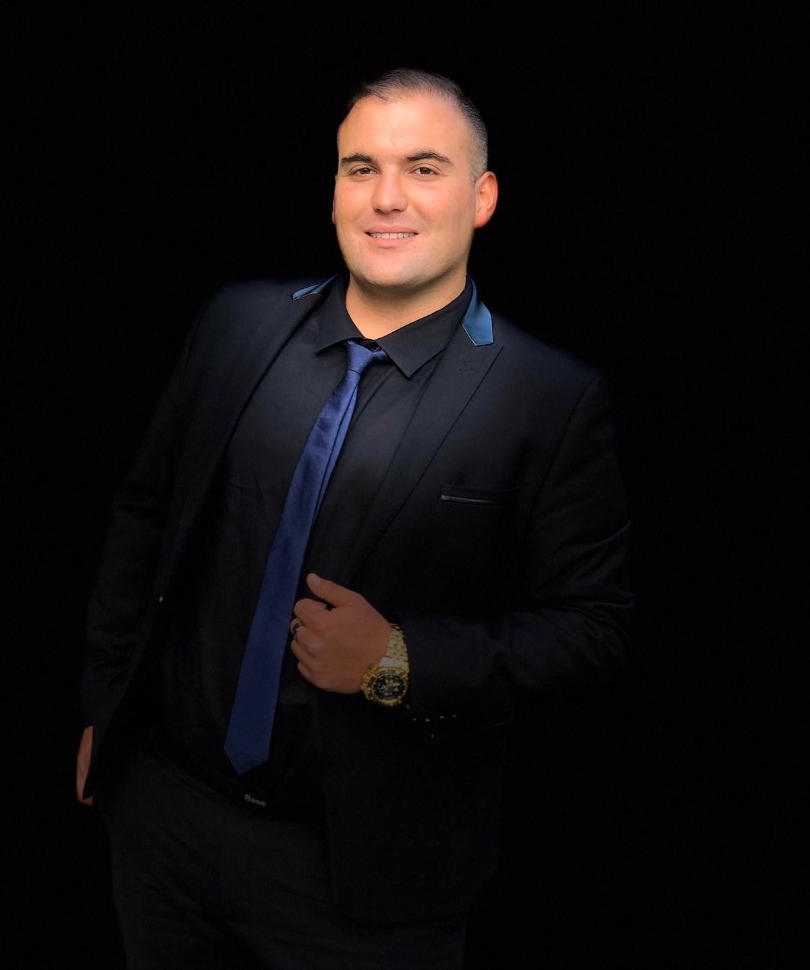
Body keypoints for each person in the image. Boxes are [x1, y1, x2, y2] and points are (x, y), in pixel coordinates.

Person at [75, 66, 634, 969]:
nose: (385, 198)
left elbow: (593, 627)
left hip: (363, 876)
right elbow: (146, 514)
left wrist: (397, 661)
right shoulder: (236, 325)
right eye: (359, 167)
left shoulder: (549, 398)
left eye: (423, 168)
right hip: (165, 821)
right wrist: (108, 706)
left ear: (482, 197)